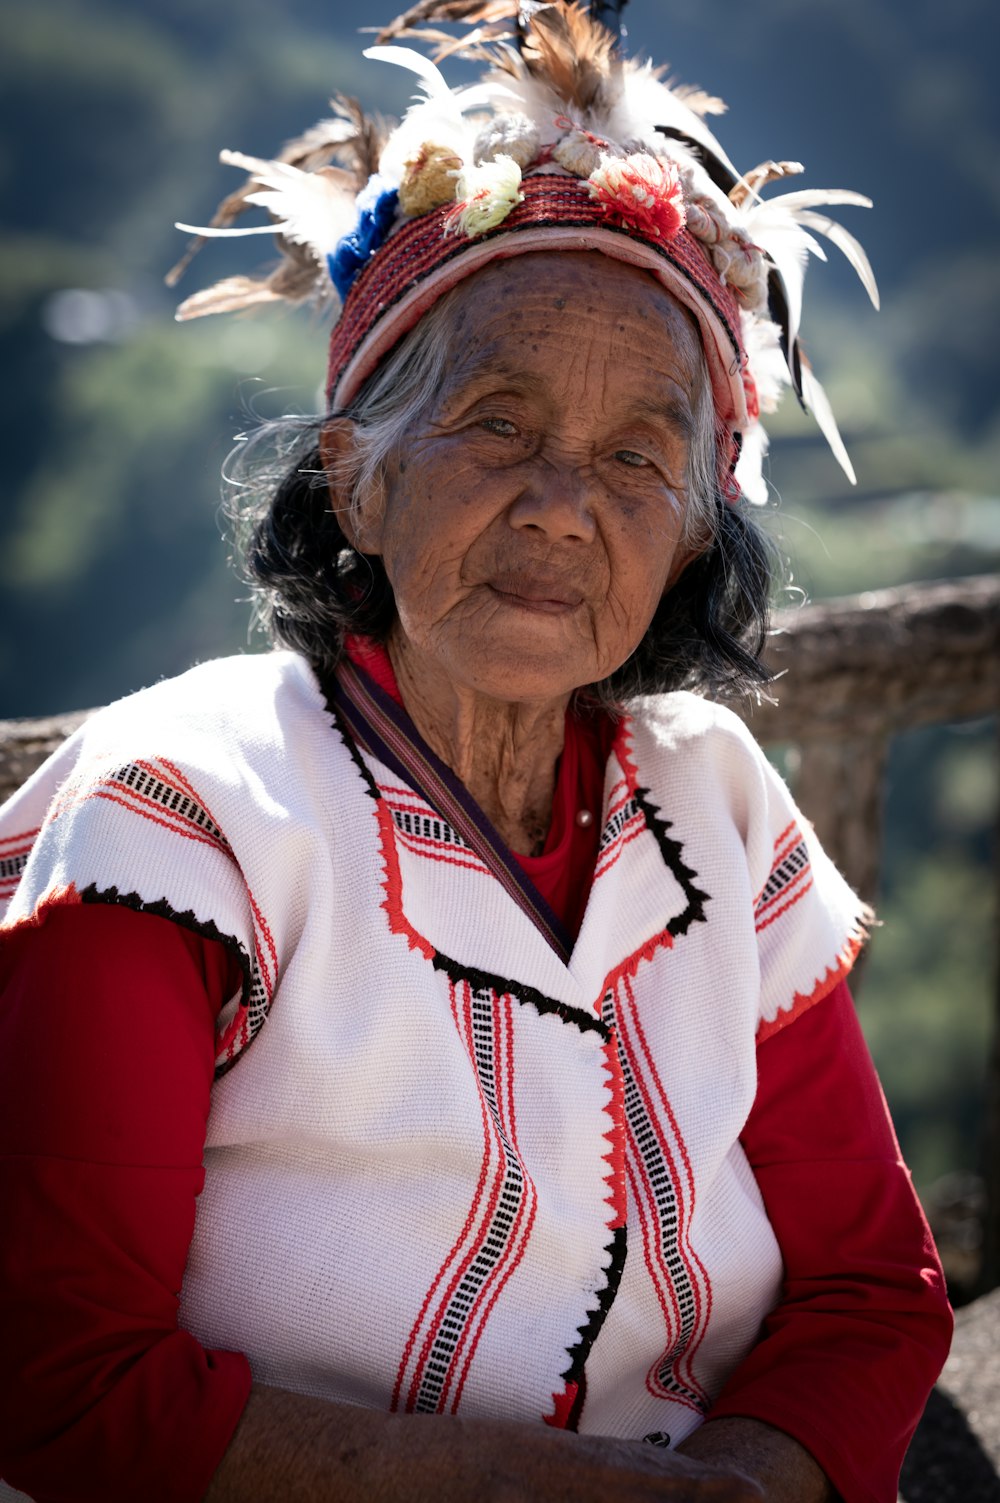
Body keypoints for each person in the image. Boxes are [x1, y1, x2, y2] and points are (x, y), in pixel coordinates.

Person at [0, 4, 951, 1501]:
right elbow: (62, 1386)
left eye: (639, 456)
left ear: (695, 531)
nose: (564, 506)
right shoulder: (182, 814)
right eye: (495, 424)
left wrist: (747, 1486)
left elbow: (873, 1291)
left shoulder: (714, 801)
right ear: (355, 484)